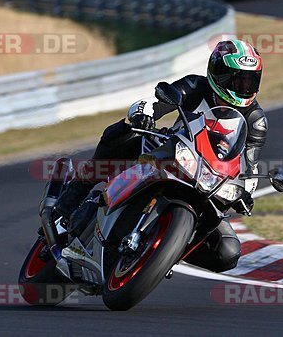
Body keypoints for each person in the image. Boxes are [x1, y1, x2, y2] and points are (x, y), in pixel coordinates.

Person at [55, 39, 268, 272]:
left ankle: (163, 251)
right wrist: (143, 115)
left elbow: (250, 165)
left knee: (227, 252)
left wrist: (246, 192)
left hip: (210, 180)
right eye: (235, 79)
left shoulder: (255, 120)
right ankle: (67, 204)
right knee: (121, 136)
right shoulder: (196, 86)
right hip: (172, 150)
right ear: (217, 72)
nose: (242, 86)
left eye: (249, 80)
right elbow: (154, 104)